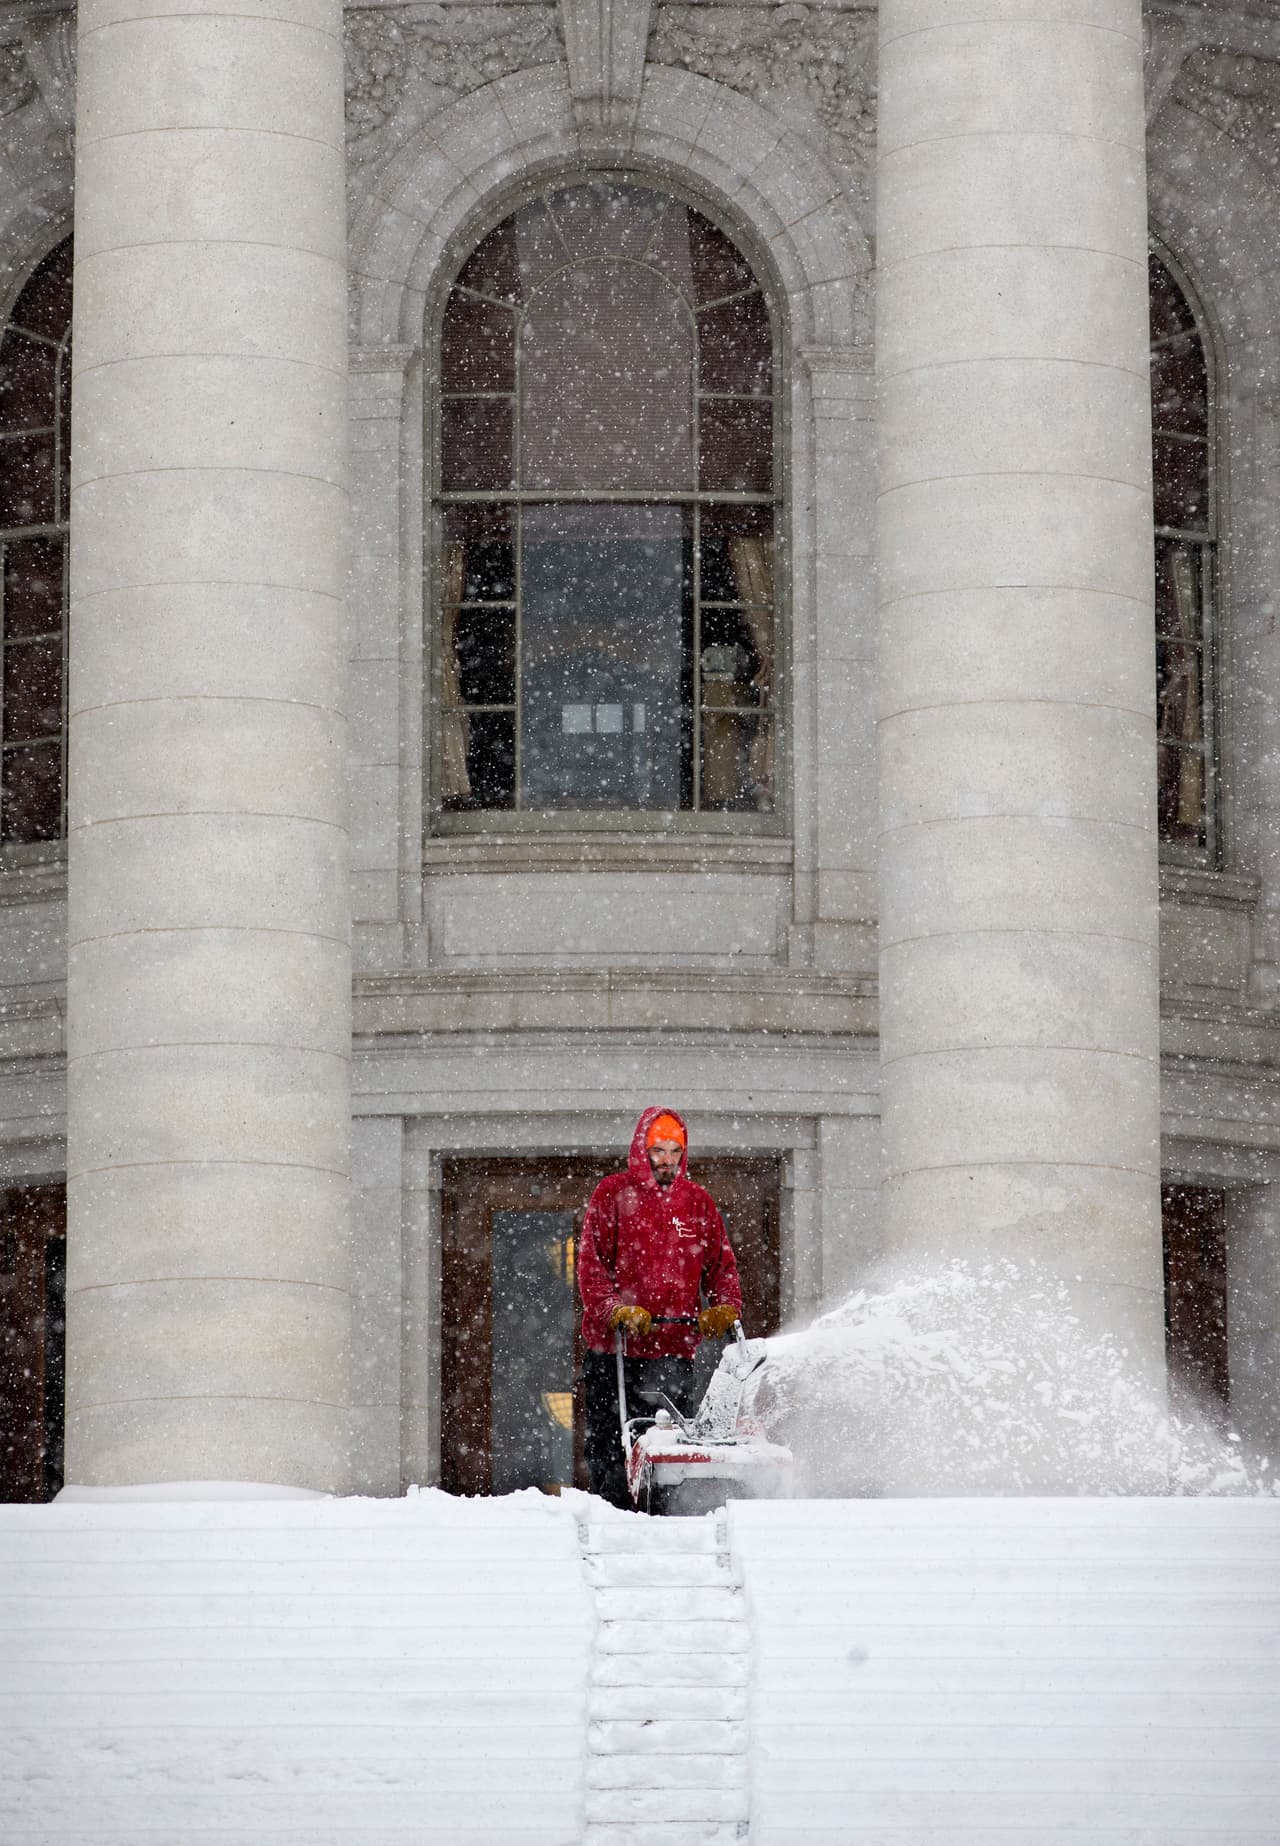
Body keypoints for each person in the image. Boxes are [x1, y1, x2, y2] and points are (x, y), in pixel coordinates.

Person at [577, 1105, 742, 1508]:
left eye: (674, 1151)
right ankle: (612, 1511)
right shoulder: (613, 1194)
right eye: (659, 1151)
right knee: (610, 1441)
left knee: (668, 1443)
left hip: (672, 1348)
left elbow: (721, 1265)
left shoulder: (696, 1203)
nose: (667, 1160)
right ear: (642, 1150)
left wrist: (725, 1306)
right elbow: (591, 1263)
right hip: (613, 1350)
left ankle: (665, 1512)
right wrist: (615, 1309)